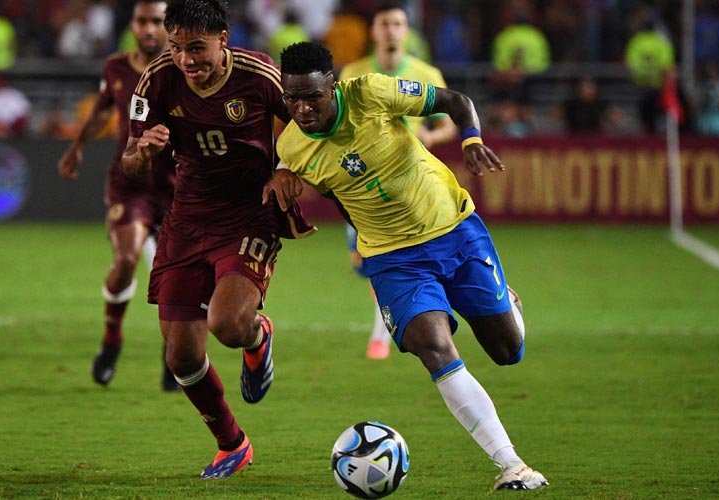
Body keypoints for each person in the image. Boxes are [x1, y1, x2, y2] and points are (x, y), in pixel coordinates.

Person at [267, 41, 548, 492]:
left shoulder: (373, 92)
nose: (301, 109)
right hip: (393, 258)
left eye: (312, 97)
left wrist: (471, 140)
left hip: (452, 228)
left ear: (333, 87)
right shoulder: (294, 149)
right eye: (292, 98)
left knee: (506, 350)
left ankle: (506, 300)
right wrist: (361, 237)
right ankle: (511, 464)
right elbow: (341, 198)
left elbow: (458, 102)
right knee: (431, 345)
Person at [121, 0, 314, 479]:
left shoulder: (262, 76)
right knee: (181, 354)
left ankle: (256, 333)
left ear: (223, 39)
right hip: (187, 219)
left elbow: (305, 125)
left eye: (198, 48)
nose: (187, 60)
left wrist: (287, 169)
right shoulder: (157, 78)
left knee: (228, 326)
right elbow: (130, 160)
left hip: (249, 213)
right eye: (177, 47)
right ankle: (233, 443)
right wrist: (143, 152)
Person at [58, 0, 179, 391]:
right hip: (131, 181)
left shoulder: (185, 68)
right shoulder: (116, 68)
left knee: (179, 278)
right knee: (126, 259)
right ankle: (112, 339)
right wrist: (76, 146)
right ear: (132, 24)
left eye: (157, 22)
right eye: (142, 21)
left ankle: (175, 355)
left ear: (168, 26)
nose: (148, 28)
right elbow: (100, 110)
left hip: (179, 184)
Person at [338, 0, 457, 360]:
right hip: (365, 187)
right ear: (373, 32)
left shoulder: (426, 73)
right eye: (385, 24)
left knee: (394, 259)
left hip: (413, 186)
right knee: (367, 264)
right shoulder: (352, 74)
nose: (391, 30)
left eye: (398, 23)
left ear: (407, 31)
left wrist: (431, 138)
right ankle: (394, 324)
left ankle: (383, 332)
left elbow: (449, 121)